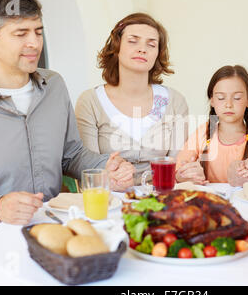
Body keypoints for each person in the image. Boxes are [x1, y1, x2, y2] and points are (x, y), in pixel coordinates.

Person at [0, 0, 134, 286]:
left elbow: (72, 154)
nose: (34, 43)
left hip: (54, 229)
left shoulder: (55, 85)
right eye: (20, 33)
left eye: (38, 31)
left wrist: (105, 168)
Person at [75, 13, 188, 184]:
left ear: (158, 54)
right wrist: (113, 180)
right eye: (133, 41)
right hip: (110, 200)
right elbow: (89, 169)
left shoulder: (174, 101)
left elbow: (176, 169)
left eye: (151, 44)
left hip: (160, 199)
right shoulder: (90, 101)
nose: (142, 49)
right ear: (117, 46)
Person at [176, 65, 248, 185]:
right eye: (221, 98)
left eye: (237, 98)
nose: (228, 104)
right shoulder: (202, 133)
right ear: (212, 101)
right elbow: (177, 171)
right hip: (208, 201)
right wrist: (187, 175)